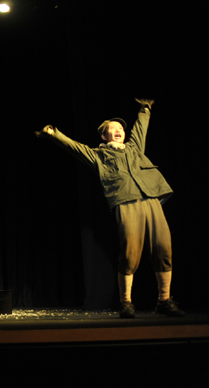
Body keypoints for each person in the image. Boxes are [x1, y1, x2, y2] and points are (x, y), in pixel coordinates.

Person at [36, 98, 184, 318]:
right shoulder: (99, 155)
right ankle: (126, 303)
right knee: (130, 253)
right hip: (126, 202)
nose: (118, 131)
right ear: (104, 136)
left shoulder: (134, 148)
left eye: (120, 129)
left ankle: (164, 300)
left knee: (163, 248)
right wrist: (53, 134)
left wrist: (145, 109)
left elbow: (140, 129)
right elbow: (75, 148)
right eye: (112, 129)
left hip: (151, 198)